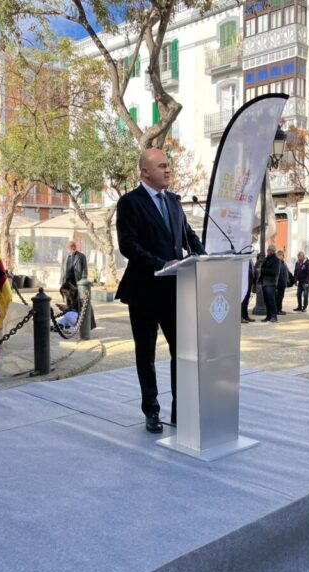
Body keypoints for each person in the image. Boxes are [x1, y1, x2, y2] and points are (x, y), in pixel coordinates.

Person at [115, 148, 206, 433]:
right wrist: (161, 263)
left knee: (182, 352)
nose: (168, 170)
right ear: (145, 172)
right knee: (147, 354)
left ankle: (181, 409)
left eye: (169, 166)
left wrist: (204, 255)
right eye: (162, 166)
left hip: (174, 290)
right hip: (143, 290)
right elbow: (128, 245)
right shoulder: (129, 202)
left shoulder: (174, 202)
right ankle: (151, 411)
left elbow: (188, 236)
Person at [258, 245, 280, 322]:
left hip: (270, 283)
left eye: (269, 250)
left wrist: (262, 270)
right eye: (267, 250)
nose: (267, 251)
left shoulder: (276, 260)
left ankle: (274, 316)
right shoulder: (267, 259)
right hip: (265, 283)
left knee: (271, 300)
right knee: (267, 301)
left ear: (272, 251)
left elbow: (274, 272)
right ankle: (268, 316)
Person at [276, 250, 290, 315]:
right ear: (279, 255)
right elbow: (279, 274)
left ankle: (279, 309)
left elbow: (286, 272)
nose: (283, 256)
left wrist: (287, 280)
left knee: (281, 297)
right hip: (279, 284)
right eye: (282, 255)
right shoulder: (278, 263)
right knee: (278, 298)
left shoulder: (283, 263)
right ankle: (278, 310)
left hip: (282, 284)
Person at [241, 259, 256, 324]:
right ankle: (240, 317)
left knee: (246, 301)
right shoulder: (244, 260)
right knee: (243, 301)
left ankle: (245, 316)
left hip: (249, 283)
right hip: (244, 282)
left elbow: (252, 270)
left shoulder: (250, 260)